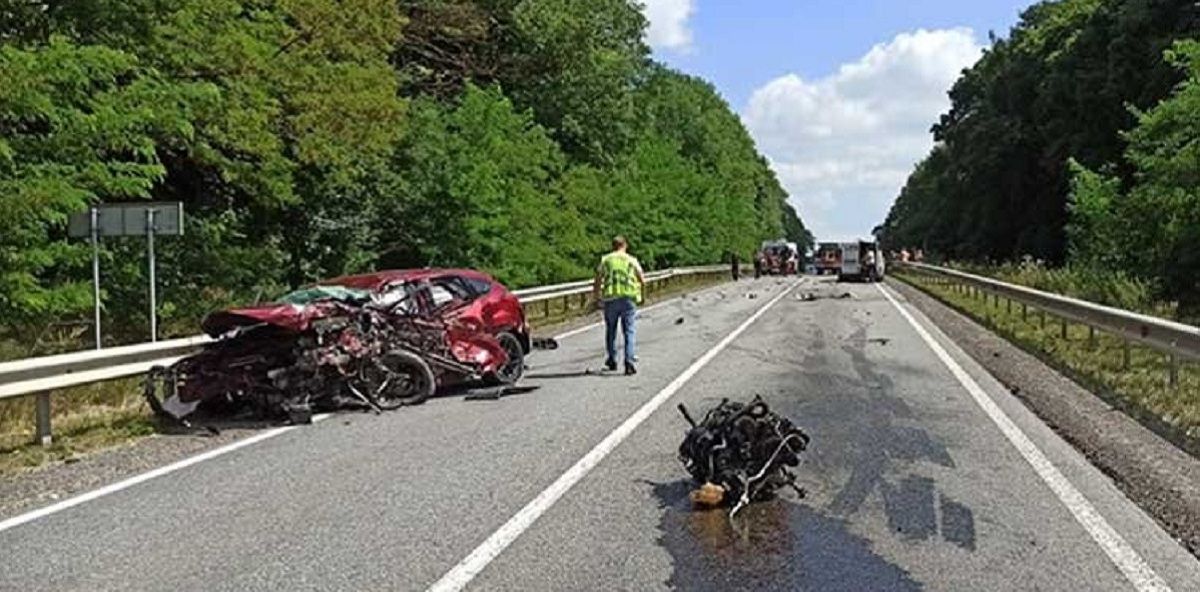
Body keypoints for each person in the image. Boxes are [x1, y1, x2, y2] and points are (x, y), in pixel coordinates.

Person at [593, 236, 645, 375]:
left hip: (611, 298)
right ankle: (629, 361)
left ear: (613, 246)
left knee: (611, 330)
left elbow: (598, 280)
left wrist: (597, 298)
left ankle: (612, 359)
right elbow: (642, 280)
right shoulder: (631, 260)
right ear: (625, 245)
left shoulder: (606, 259)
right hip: (628, 298)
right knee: (629, 331)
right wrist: (642, 296)